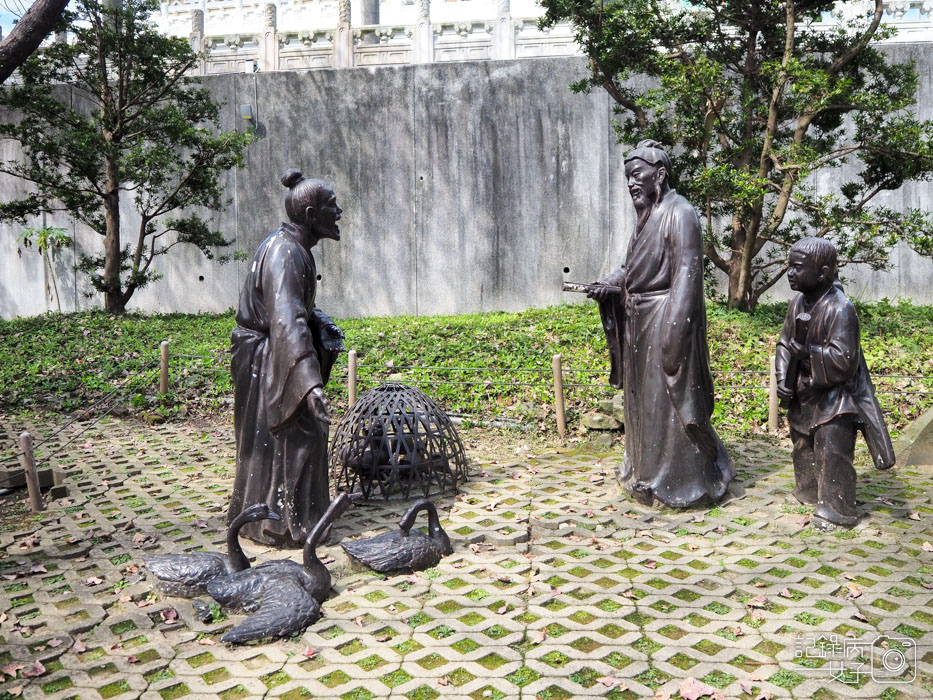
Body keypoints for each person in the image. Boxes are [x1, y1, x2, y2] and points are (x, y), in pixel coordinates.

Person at [588, 139, 734, 507]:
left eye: (637, 176)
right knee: (642, 404)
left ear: (661, 174)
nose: (631, 184)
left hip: (667, 321)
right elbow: (631, 269)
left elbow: (687, 276)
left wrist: (675, 334)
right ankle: (643, 470)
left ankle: (680, 481)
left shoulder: (680, 213)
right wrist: (609, 284)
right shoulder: (645, 218)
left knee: (667, 404)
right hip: (639, 324)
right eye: (627, 179)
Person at [227, 169, 346, 546]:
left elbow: (293, 309)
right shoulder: (286, 252)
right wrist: (309, 384)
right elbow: (286, 320)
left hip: (271, 351)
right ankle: (283, 523)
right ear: (311, 214)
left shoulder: (292, 247)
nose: (339, 211)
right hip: (270, 359)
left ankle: (269, 515)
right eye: (331, 206)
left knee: (272, 439)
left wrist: (320, 320)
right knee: (299, 432)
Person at [776, 237, 894, 529]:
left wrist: (809, 353)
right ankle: (807, 491)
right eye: (789, 266)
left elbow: (845, 360)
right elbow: (783, 344)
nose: (790, 273)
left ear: (823, 272)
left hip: (836, 398)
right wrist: (783, 377)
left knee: (832, 452)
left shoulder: (841, 308)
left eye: (798, 268)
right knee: (802, 445)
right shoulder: (796, 303)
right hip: (805, 394)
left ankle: (836, 509)